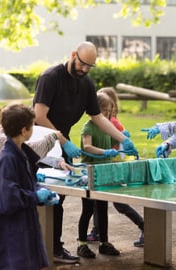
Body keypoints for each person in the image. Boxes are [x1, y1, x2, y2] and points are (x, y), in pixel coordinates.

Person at [32, 41, 138, 263]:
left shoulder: (86, 84)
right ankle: (45, 248)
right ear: (73, 55)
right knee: (45, 198)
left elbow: (97, 117)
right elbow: (39, 115)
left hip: (62, 143)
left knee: (57, 199)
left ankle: (53, 248)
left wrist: (123, 139)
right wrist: (61, 139)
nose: (84, 69)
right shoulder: (51, 77)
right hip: (40, 144)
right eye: (82, 64)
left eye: (90, 66)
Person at [0, 101, 72, 269]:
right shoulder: (3, 146)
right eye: (31, 126)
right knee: (1, 254)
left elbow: (26, 152)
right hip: (0, 205)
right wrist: (53, 137)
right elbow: (32, 151)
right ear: (23, 130)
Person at [85, 87, 144, 248]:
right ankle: (96, 231)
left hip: (111, 165)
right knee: (99, 201)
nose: (106, 113)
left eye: (107, 110)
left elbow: (117, 138)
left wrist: (114, 149)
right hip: (105, 165)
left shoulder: (110, 122)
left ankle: (143, 225)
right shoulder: (99, 125)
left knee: (117, 203)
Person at [77, 92, 121, 258]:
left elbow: (113, 144)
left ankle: (104, 242)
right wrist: (104, 152)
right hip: (89, 173)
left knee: (102, 209)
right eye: (103, 110)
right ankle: (82, 244)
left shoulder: (108, 128)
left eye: (109, 111)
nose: (106, 114)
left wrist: (121, 141)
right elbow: (87, 147)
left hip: (104, 173)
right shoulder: (88, 127)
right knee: (87, 210)